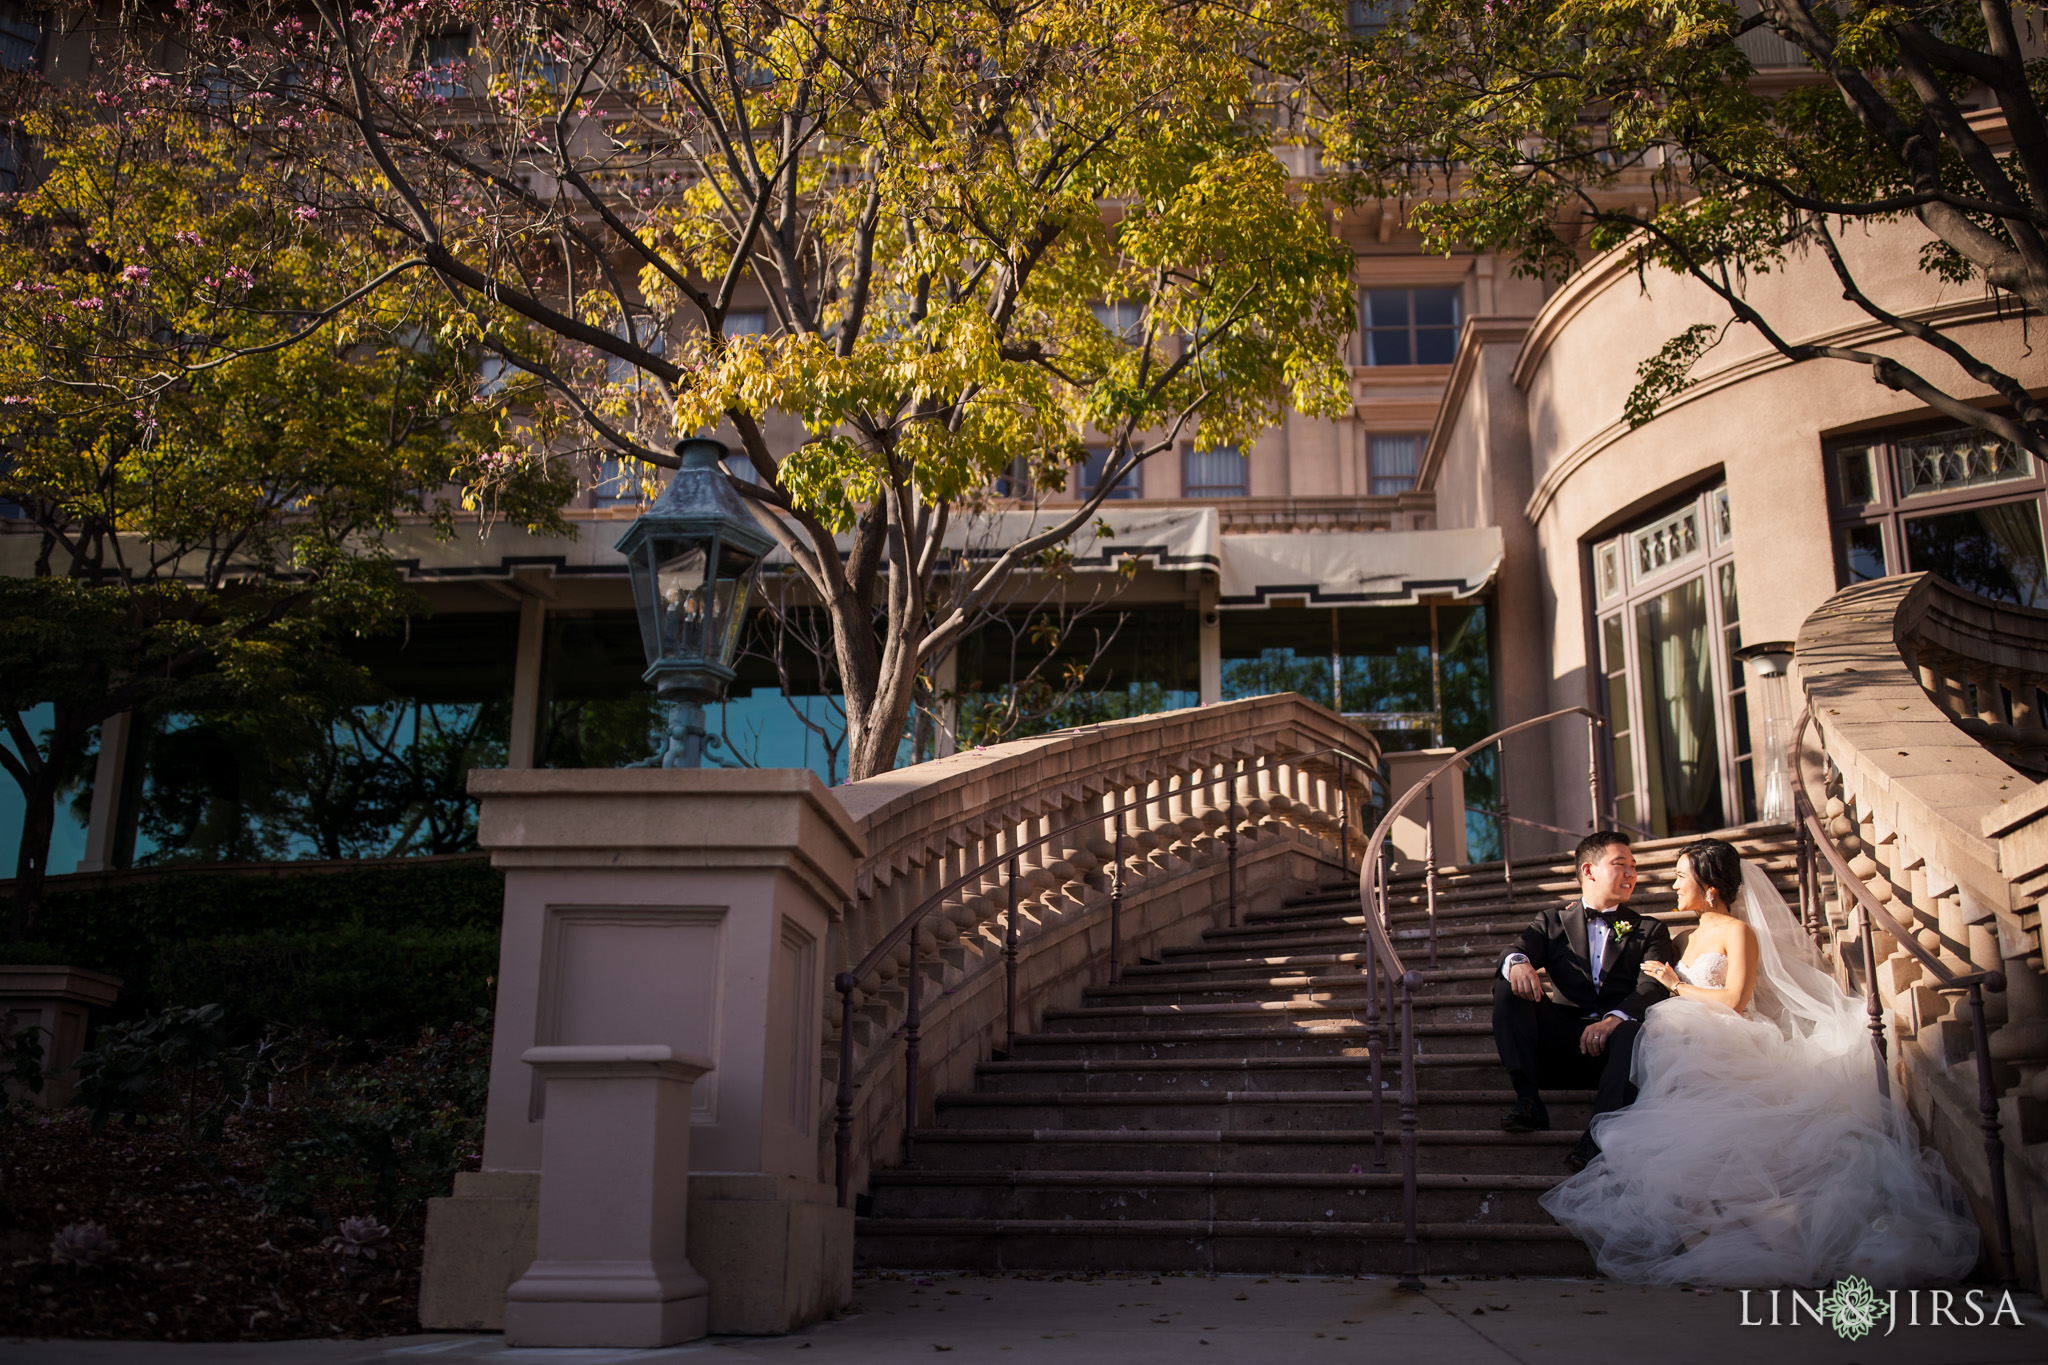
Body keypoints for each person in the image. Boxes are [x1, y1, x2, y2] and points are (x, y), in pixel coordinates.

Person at [1539, 837, 1980, 1287]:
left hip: (1726, 1045)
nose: (1671, 884)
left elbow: (1734, 1000)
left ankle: (1786, 1234)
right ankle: (1728, 1233)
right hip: (1680, 1051)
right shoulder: (1684, 937)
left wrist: (1676, 986)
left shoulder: (1738, 932)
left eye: (1679, 876)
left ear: (1709, 886)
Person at [1493, 830, 1676, 1172]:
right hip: (1563, 1044)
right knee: (1507, 986)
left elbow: (1652, 985)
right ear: (1589, 871)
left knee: (1634, 1029)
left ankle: (1597, 1136)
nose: (1631, 874)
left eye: (1633, 866)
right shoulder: (1552, 921)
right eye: (1620, 865)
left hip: (1616, 1051)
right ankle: (1528, 1101)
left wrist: (1615, 1017)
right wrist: (1518, 963)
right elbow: (1516, 948)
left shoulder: (1649, 929)